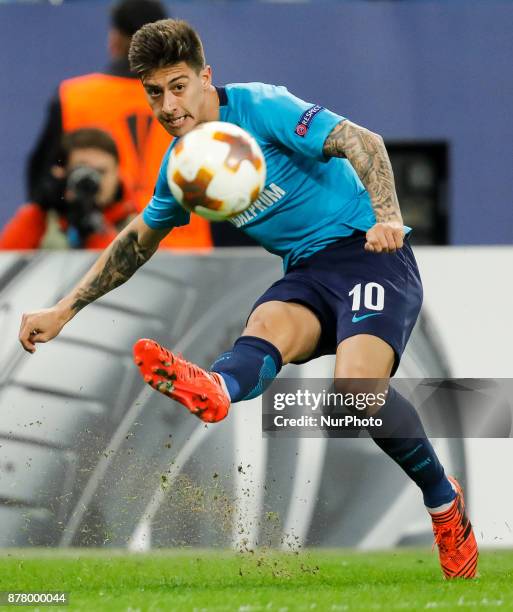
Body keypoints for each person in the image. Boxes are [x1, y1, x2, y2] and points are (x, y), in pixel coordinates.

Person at [19, 19, 478, 579]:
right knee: (263, 326)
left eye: (179, 85)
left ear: (206, 77)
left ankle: (443, 504)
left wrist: (388, 217)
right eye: (155, 93)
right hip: (306, 272)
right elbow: (138, 241)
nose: (168, 106)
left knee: (357, 395)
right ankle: (214, 388)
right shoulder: (183, 168)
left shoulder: (263, 108)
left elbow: (363, 142)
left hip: (366, 253)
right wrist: (63, 311)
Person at [26, 0, 212, 250]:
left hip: (103, 254)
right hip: (189, 252)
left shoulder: (73, 97)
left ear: (114, 40)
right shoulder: (200, 96)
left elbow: (42, 186)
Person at [1, 128, 136, 249]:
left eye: (101, 171)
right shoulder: (42, 218)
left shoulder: (139, 222)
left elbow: (131, 273)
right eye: (83, 170)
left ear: (118, 174)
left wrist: (95, 226)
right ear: (61, 173)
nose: (92, 180)